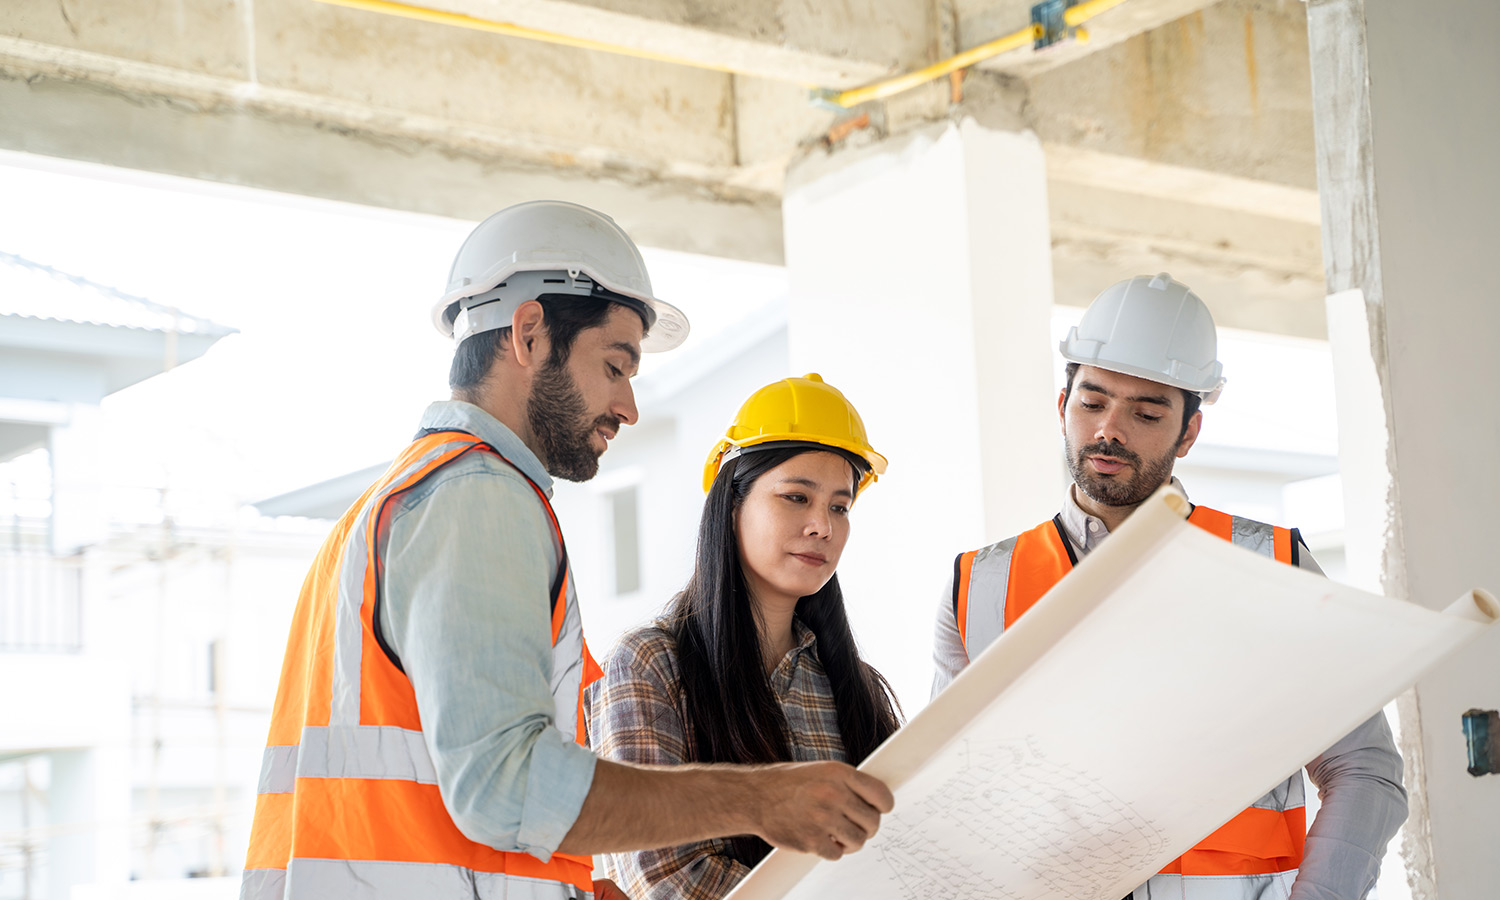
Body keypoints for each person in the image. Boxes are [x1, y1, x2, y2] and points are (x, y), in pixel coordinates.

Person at [241, 203, 894, 900]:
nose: (629, 406)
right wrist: (761, 800)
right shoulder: (475, 497)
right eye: (616, 365)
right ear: (529, 333)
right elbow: (505, 787)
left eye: (839, 505)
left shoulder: (412, 497)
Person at [932, 273, 1408, 900]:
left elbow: (1364, 768)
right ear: (1062, 404)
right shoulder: (981, 584)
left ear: (1188, 432)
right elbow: (953, 793)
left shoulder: (1269, 564)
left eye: (1146, 412)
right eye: (1092, 401)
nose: (1109, 430)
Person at [586, 374, 903, 899]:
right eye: (796, 497)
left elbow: (908, 850)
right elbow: (665, 879)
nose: (822, 526)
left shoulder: (857, 688)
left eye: (840, 507)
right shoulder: (651, 664)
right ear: (732, 505)